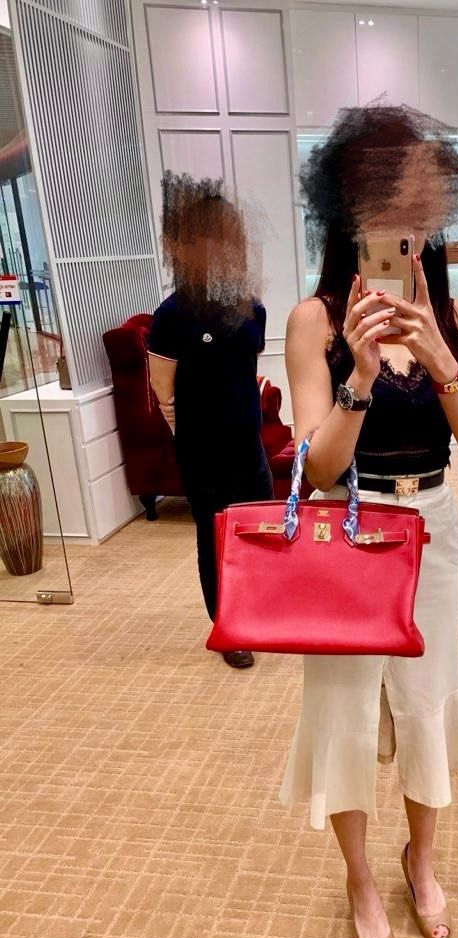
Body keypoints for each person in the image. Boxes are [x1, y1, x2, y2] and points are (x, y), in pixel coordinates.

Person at [279, 106, 458, 938]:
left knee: (426, 700)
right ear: (347, 217)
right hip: (349, 530)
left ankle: (422, 861)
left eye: (413, 208)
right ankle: (360, 878)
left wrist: (441, 359)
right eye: (379, 206)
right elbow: (315, 470)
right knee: (343, 710)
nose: (397, 227)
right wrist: (361, 377)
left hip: (433, 530)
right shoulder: (314, 321)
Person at [147, 177, 273, 669]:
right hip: (202, 448)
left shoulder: (251, 308)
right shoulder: (171, 315)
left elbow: (247, 370)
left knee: (258, 527)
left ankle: (257, 611)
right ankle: (228, 627)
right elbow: (163, 391)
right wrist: (191, 439)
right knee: (214, 536)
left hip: (248, 442)